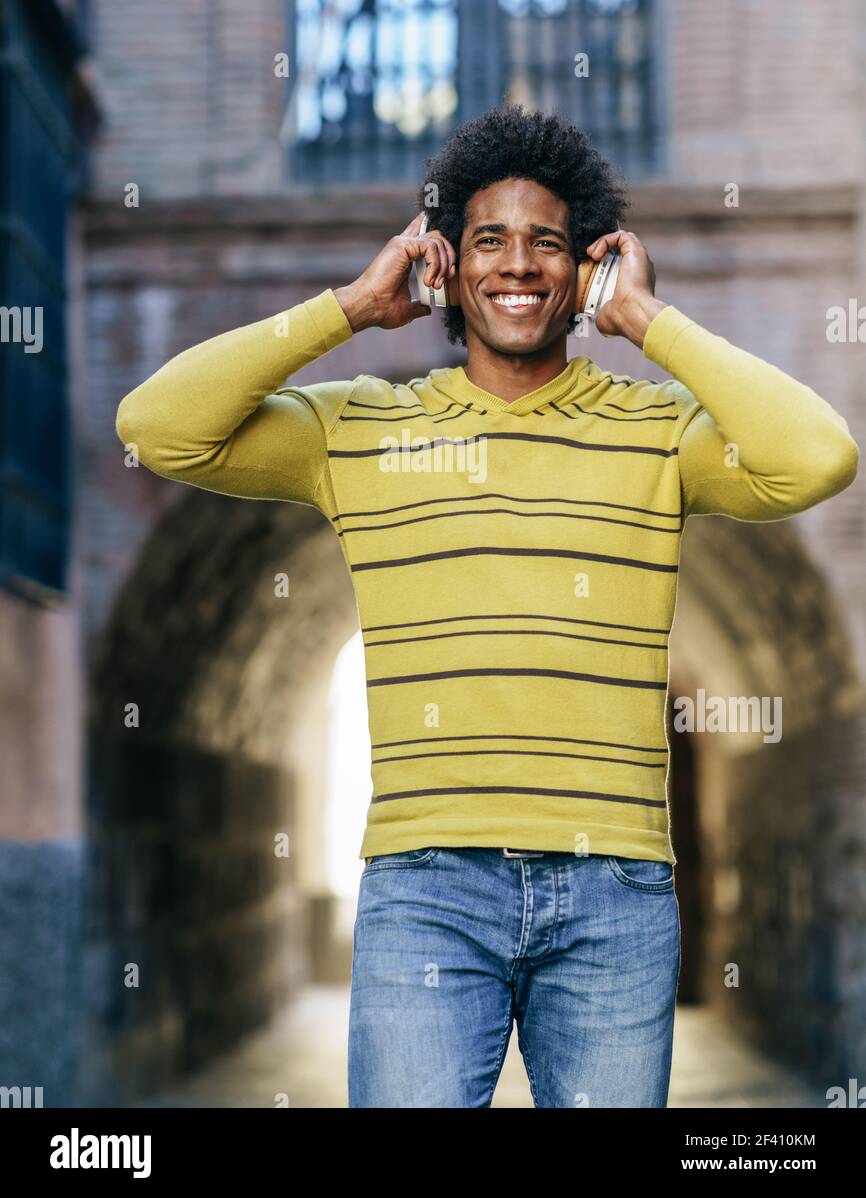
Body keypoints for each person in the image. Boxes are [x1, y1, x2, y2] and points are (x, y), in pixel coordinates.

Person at [115, 105, 859, 1108]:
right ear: (447, 267)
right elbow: (157, 426)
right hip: (426, 889)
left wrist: (646, 322)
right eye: (489, 240)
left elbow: (817, 455)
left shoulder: (657, 431)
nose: (517, 264)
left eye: (546, 242)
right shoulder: (359, 430)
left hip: (614, 893)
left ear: (582, 268)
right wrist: (346, 308)